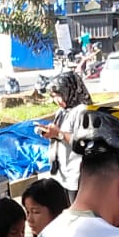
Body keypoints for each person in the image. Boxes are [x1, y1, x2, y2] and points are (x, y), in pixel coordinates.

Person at [37, 71, 92, 201]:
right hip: (61, 175)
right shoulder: (62, 112)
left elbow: (83, 143)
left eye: (57, 96)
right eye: (52, 96)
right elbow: (59, 135)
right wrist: (49, 133)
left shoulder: (82, 111)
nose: (55, 100)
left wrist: (58, 134)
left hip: (76, 176)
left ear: (69, 90)